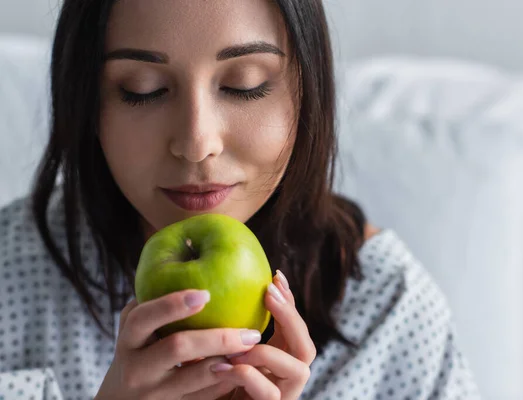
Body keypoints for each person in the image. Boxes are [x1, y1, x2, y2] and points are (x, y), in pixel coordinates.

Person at [0, 0, 481, 399]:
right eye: (142, 91)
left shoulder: (389, 310)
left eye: (243, 85)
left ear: (306, 91)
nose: (196, 142)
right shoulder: (11, 273)